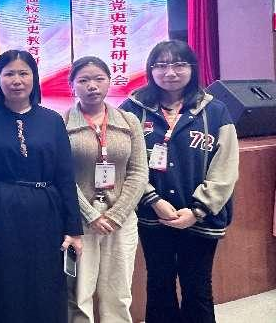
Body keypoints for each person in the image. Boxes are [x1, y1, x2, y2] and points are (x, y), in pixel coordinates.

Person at [120, 40, 239, 323]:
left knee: (197, 288)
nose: (170, 72)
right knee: (159, 284)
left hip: (200, 217)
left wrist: (198, 210)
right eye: (161, 65)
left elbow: (225, 167)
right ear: (150, 69)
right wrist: (153, 200)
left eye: (178, 64)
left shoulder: (216, 110)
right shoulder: (132, 109)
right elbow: (124, 160)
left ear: (192, 68)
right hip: (152, 216)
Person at [0, 49, 82, 323]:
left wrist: (73, 229)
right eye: (9, 74)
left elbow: (65, 176)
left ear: (34, 78)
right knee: (2, 283)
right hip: (0, 212)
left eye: (23, 73)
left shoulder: (52, 120)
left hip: (46, 213)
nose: (16, 80)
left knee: (45, 284)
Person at [65, 56, 148, 323]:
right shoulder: (61, 122)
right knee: (80, 293)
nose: (92, 86)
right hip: (79, 221)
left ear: (110, 82)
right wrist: (91, 215)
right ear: (72, 85)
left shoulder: (128, 121)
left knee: (118, 292)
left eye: (99, 79)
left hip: (121, 220)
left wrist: (116, 215)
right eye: (83, 80)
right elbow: (62, 176)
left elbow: (138, 172)